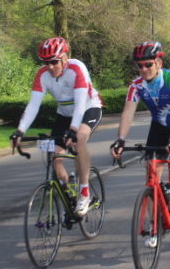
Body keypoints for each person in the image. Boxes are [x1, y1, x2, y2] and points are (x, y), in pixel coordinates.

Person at [10, 37, 103, 217]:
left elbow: (80, 103)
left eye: (54, 61)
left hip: (88, 108)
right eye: (46, 63)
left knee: (80, 139)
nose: (50, 67)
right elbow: (33, 105)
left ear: (65, 58)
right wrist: (20, 131)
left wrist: (74, 130)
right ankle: (66, 190)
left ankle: (84, 193)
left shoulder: (77, 68)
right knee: (54, 154)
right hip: (64, 114)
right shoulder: (42, 75)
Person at [110, 41, 170, 210]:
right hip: (159, 125)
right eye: (139, 66)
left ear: (159, 63)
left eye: (148, 64)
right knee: (151, 177)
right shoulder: (136, 85)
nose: (143, 70)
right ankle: (152, 231)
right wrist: (120, 139)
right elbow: (128, 113)